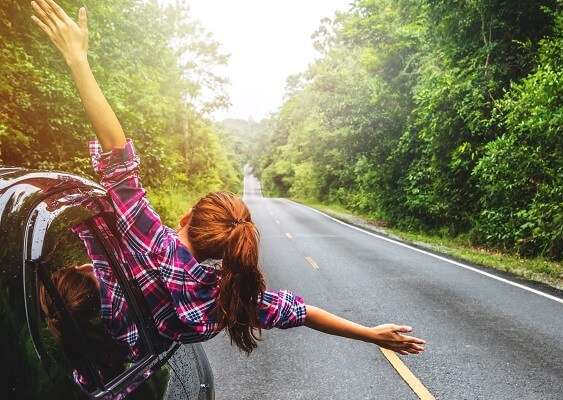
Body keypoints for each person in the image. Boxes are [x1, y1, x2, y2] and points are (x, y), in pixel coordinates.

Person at [30, 0, 425, 367]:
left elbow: (116, 153)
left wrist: (78, 58)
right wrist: (372, 334)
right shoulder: (222, 297)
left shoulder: (151, 241)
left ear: (187, 216)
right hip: (118, 371)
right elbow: (303, 314)